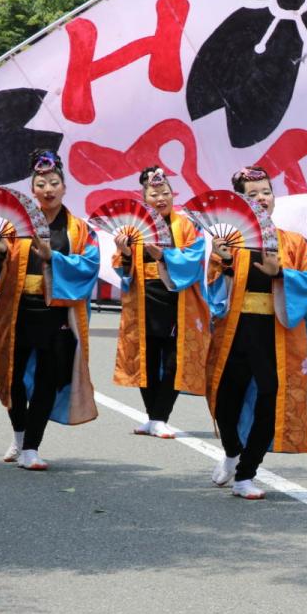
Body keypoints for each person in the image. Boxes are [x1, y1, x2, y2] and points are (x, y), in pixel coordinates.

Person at [207, 166, 307, 499]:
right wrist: (225, 264)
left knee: (270, 395)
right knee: (223, 400)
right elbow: (214, 291)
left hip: (274, 332)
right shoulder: (229, 241)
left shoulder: (295, 243)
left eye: (266, 191)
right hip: (235, 330)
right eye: (252, 193)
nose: (261, 198)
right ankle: (231, 450)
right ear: (240, 201)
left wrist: (281, 272)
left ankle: (246, 475)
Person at [0, 149, 100, 471]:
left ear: (64, 186)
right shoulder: (15, 224)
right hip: (18, 310)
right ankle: (19, 434)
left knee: (49, 379)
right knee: (13, 376)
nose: (48, 189)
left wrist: (53, 257)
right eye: (41, 184)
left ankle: (32, 447)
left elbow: (90, 265)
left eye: (53, 182)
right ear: (32, 189)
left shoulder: (79, 229)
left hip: (56, 313)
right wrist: (4, 250)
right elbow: (0, 265)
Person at [112, 166, 211, 439]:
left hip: (177, 300)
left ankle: (160, 416)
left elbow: (194, 259)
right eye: (154, 194)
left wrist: (164, 256)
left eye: (165, 192)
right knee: (147, 359)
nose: (161, 198)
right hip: (143, 301)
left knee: (172, 361)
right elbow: (121, 269)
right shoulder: (135, 227)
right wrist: (126, 253)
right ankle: (153, 417)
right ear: (145, 198)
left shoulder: (187, 225)